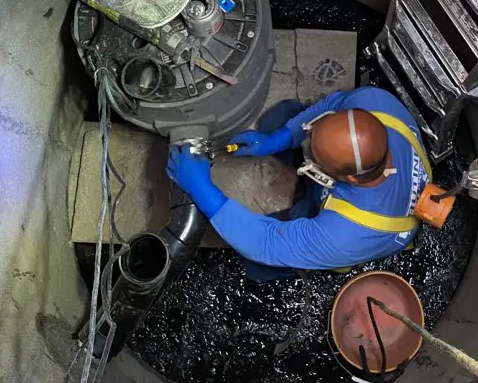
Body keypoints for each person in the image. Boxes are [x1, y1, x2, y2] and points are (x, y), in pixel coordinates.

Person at [167, 86, 432, 278]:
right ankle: (311, 167)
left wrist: (201, 189)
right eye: (313, 134)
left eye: (312, 155)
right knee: (280, 118)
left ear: (347, 178)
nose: (304, 143)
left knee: (258, 265)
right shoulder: (375, 100)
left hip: (348, 228)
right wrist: (277, 139)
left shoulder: (344, 235)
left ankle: (304, 212)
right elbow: (331, 104)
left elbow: (265, 242)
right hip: (345, 191)